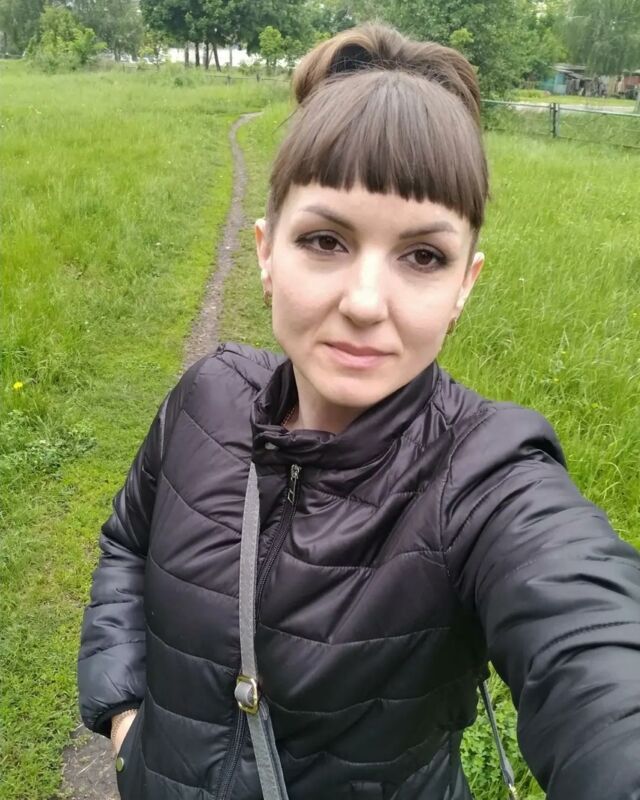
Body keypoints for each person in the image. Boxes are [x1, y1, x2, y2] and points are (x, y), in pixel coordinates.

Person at [78, 23, 640, 800]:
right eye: (325, 241)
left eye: (423, 256)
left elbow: (598, 657)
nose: (367, 303)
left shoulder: (486, 480)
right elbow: (125, 545)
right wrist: (125, 722)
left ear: (465, 285)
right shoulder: (206, 396)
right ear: (266, 251)